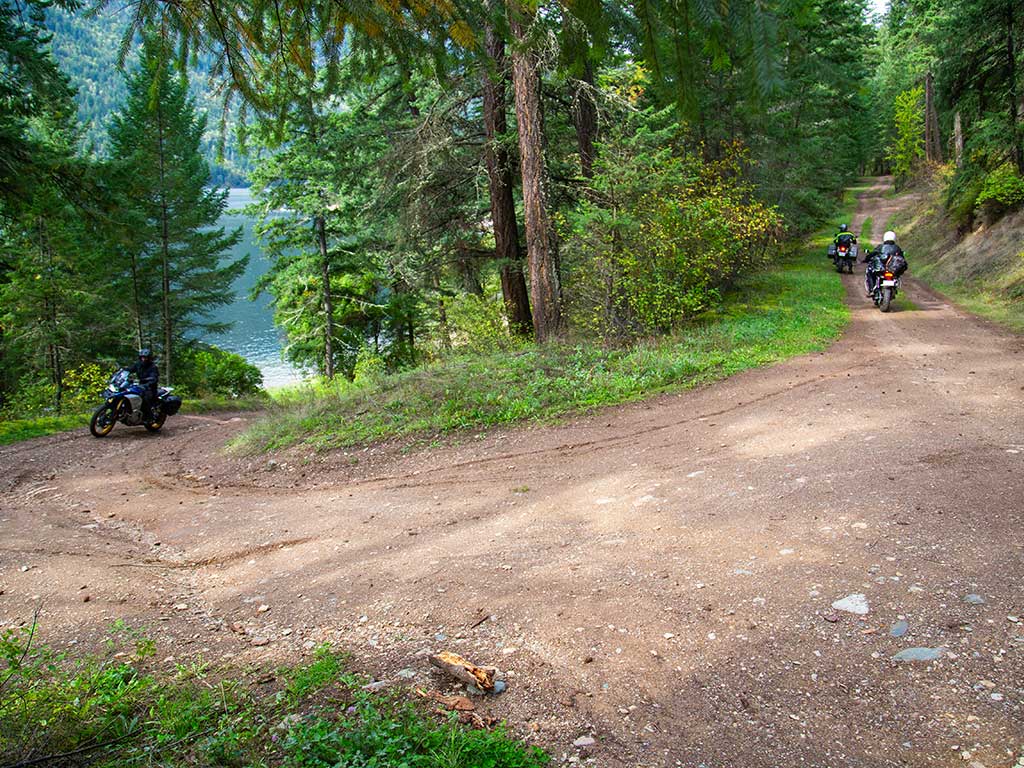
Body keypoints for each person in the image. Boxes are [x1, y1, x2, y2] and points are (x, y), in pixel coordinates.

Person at [863, 230, 906, 296]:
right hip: (892, 271)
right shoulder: (897, 248)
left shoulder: (881, 247)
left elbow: (872, 254)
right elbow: (902, 259)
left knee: (870, 271)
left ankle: (871, 289)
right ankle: (893, 288)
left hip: (882, 270)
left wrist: (866, 259)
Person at [129, 348, 159, 421]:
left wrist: (148, 383)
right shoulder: (138, 364)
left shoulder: (153, 367)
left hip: (150, 388)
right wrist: (123, 371)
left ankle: (149, 417)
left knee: (144, 399)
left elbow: (154, 378)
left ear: (149, 358)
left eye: (145, 357)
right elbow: (130, 369)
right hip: (140, 386)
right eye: (142, 357)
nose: (144, 359)